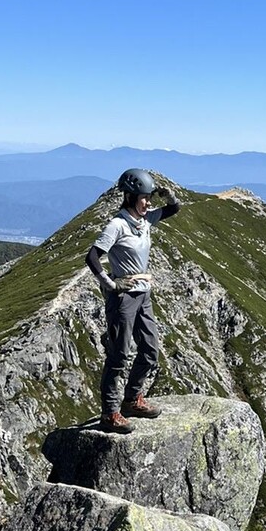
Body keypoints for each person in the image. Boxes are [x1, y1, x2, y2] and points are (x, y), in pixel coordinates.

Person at [85, 168, 180, 433]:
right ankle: (110, 414)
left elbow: (173, 210)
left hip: (143, 294)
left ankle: (132, 399)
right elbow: (92, 257)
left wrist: (169, 196)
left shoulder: (145, 220)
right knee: (118, 356)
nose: (148, 202)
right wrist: (112, 285)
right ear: (130, 196)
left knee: (150, 350)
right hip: (123, 298)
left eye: (149, 197)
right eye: (144, 197)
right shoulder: (118, 225)